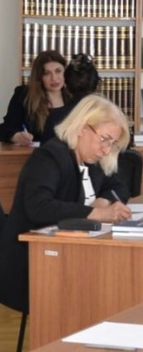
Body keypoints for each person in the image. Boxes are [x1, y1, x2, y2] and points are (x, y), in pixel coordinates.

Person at [0, 94, 133, 315]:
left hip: (71, 257)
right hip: (34, 264)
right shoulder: (50, 157)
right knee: (108, 289)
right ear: (82, 127)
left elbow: (120, 186)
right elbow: (39, 207)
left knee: (117, 282)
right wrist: (96, 213)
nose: (106, 150)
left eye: (112, 144)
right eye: (104, 139)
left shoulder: (92, 162)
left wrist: (103, 201)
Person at [0, 50, 69, 146]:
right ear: (39, 77)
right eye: (47, 73)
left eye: (58, 71)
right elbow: (6, 128)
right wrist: (16, 136)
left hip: (68, 154)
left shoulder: (74, 96)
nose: (54, 78)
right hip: (34, 153)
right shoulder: (24, 95)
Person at [43, 53, 101, 137]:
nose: (54, 78)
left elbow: (46, 145)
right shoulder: (110, 115)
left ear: (66, 84)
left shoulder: (55, 117)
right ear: (96, 84)